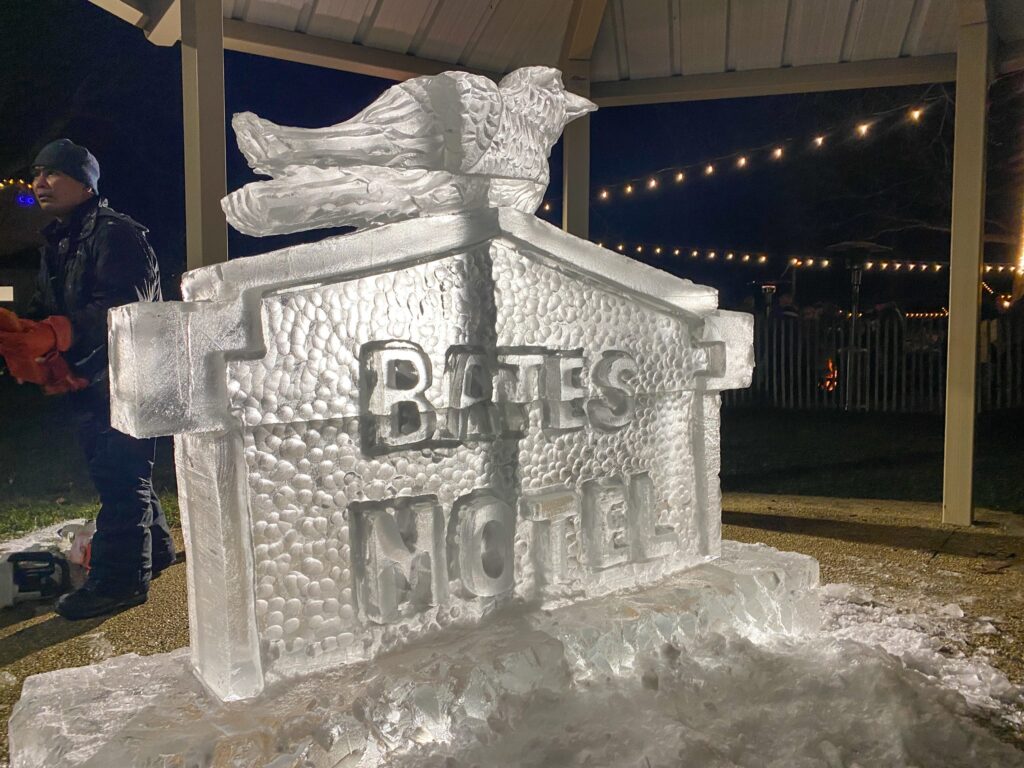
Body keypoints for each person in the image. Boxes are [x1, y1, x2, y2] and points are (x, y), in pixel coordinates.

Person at [0, 139, 175, 620]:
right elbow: (50, 306)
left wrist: (58, 332)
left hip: (129, 377)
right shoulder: (59, 240)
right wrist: (23, 330)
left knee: (121, 476)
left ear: (85, 183)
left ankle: (120, 582)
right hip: (89, 378)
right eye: (36, 172)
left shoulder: (116, 233)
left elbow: (125, 310)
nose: (39, 182)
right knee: (119, 472)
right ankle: (155, 551)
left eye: (53, 173)